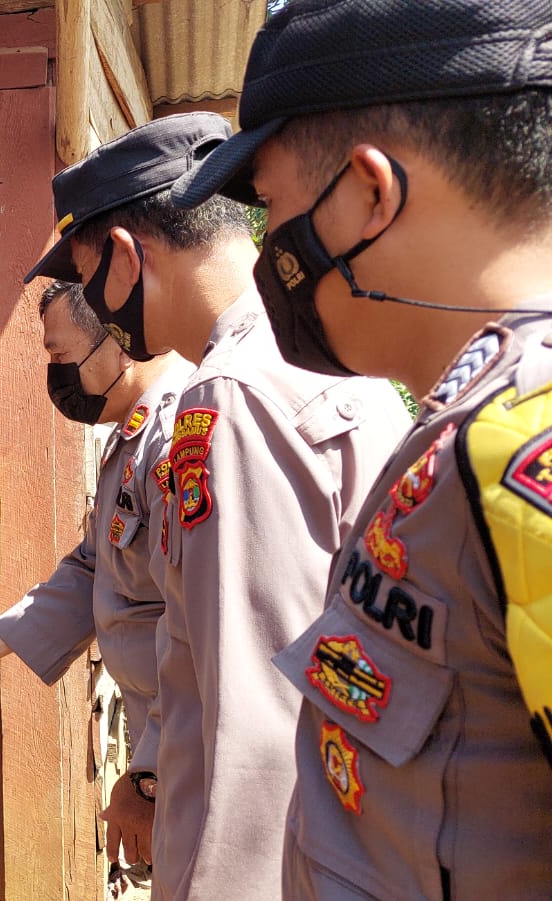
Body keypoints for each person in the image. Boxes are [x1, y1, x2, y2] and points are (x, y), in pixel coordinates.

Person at [172, 1, 552, 895]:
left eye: (270, 207)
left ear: (371, 194)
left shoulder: (525, 436)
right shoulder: (465, 418)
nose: (269, 255)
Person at [0, 113, 412, 900]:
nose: (93, 306)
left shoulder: (229, 398)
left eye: (86, 280)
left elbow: (252, 722)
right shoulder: (317, 358)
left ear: (122, 257)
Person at [0, 281, 193, 896]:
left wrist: (147, 775)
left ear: (117, 343)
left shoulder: (179, 438)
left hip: (186, 741)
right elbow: (93, 566)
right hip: (169, 735)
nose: (53, 373)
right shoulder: (130, 440)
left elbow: (204, 628)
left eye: (57, 353)